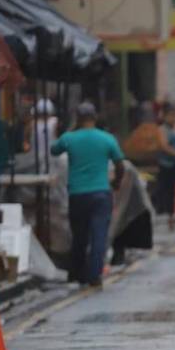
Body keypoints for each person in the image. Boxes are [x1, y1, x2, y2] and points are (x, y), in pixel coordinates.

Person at [50, 102, 124, 287]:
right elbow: (120, 164)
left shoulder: (70, 138)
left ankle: (77, 274)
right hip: (101, 193)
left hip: (77, 194)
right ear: (95, 117)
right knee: (99, 235)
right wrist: (116, 182)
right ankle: (95, 275)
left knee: (80, 237)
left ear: (78, 118)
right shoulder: (107, 138)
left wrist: (73, 130)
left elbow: (54, 149)